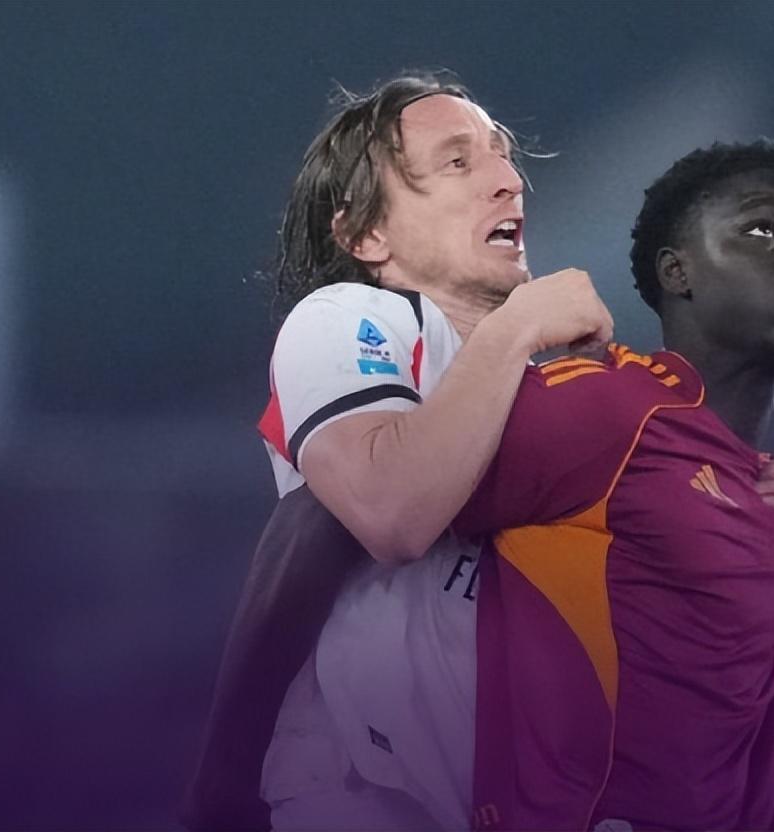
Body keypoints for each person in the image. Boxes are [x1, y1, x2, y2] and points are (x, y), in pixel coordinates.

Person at [181, 72, 612, 832]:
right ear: (365, 236)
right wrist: (518, 326)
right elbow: (389, 511)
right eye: (458, 162)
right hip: (366, 801)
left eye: (504, 157)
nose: (508, 180)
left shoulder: (559, 389)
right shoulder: (353, 317)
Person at [455, 140, 774, 830]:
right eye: (763, 229)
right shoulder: (603, 405)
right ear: (678, 271)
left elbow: (720, 705)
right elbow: (368, 519)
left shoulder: (772, 493)